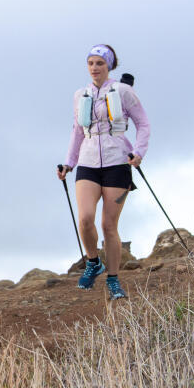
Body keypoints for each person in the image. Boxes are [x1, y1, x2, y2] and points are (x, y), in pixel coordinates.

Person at [57, 44, 150, 300]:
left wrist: (139, 152)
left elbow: (143, 123)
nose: (94, 68)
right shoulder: (80, 95)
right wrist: (68, 163)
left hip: (117, 162)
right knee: (85, 218)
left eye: (99, 63)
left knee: (109, 225)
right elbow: (77, 131)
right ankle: (93, 262)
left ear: (109, 65)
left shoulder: (123, 91)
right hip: (87, 162)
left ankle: (113, 279)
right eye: (91, 63)